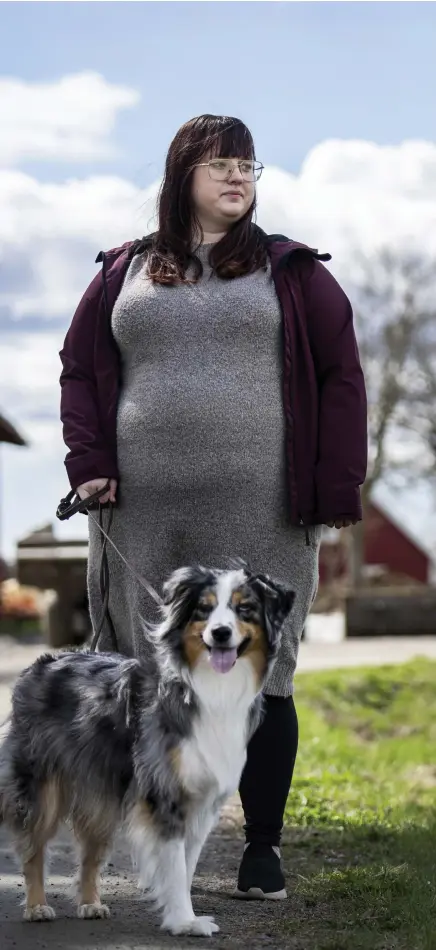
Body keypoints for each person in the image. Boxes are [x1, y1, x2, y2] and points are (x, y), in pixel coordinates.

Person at [59, 114, 367, 901]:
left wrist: (333, 492)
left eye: (249, 166)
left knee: (262, 674)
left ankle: (260, 848)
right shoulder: (122, 272)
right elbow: (78, 370)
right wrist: (90, 465)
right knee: (149, 675)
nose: (239, 178)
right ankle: (153, 841)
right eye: (222, 164)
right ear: (182, 174)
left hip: (262, 507)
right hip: (144, 509)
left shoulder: (292, 272)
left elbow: (341, 376)